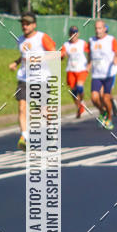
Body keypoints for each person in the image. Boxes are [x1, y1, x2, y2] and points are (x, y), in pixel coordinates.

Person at [8, 12, 56, 150]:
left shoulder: (42, 37)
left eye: (27, 23)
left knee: (42, 110)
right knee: (22, 107)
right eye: (23, 23)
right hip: (24, 78)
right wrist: (16, 62)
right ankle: (25, 137)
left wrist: (38, 59)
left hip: (41, 78)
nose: (25, 26)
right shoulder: (20, 40)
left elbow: (54, 54)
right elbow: (24, 56)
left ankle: (50, 127)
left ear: (34, 25)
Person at [88, 19, 117, 130]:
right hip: (96, 74)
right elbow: (90, 55)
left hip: (109, 74)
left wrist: (116, 60)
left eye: (100, 28)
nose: (98, 30)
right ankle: (103, 112)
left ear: (104, 28)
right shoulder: (91, 40)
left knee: (105, 98)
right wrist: (88, 65)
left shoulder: (111, 40)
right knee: (94, 98)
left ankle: (109, 119)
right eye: (96, 28)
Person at [60, 25, 89, 118]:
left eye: (75, 33)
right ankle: (79, 107)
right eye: (72, 33)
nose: (73, 36)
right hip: (71, 70)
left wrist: (89, 64)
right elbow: (62, 55)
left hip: (81, 69)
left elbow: (90, 52)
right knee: (73, 91)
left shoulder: (82, 43)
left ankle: (82, 101)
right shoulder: (66, 45)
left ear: (78, 34)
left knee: (80, 87)